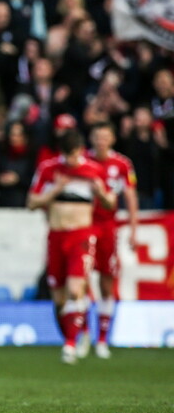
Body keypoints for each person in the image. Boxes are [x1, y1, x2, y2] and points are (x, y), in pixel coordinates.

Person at [27, 129, 115, 365]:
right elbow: (32, 203)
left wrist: (101, 193)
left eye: (74, 156)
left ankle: (70, 345)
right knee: (59, 299)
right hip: (56, 236)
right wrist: (55, 190)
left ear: (81, 151)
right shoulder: (48, 169)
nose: (71, 161)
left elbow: (111, 203)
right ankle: (80, 330)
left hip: (82, 236)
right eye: (67, 156)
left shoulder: (93, 171)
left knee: (76, 289)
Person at [85, 122, 137, 359]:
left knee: (107, 281)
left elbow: (130, 195)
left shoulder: (122, 164)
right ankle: (83, 333)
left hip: (108, 227)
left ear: (112, 139)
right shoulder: (83, 161)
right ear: (92, 138)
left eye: (105, 137)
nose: (101, 141)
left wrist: (133, 228)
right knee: (81, 279)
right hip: (84, 225)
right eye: (97, 136)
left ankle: (103, 339)